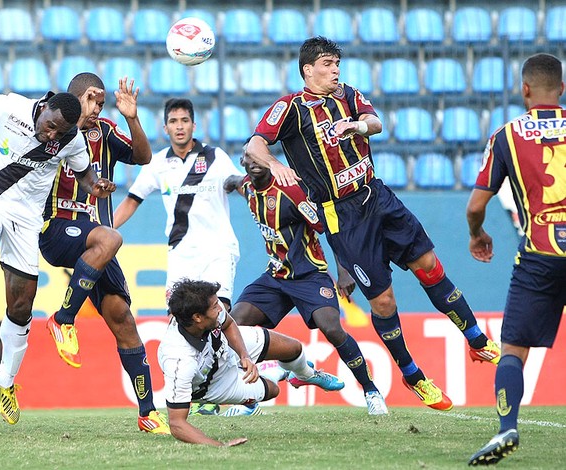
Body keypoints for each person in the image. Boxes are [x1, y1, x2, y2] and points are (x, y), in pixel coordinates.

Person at [245, 36, 501, 412]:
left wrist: (358, 127)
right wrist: (275, 163)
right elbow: (254, 146)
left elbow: (375, 121)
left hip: (376, 195)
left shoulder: (348, 94)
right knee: (383, 300)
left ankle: (477, 338)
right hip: (342, 215)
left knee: (428, 265)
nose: (335, 70)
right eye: (328, 64)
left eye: (337, 64)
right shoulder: (290, 108)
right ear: (308, 69)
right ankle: (413, 375)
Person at [0, 91, 115, 424]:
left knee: (21, 306)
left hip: (27, 218)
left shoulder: (71, 139)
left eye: (59, 132)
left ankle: (5, 380)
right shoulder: (6, 107)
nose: (51, 135)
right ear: (45, 106)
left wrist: (95, 186)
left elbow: (84, 173)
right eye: (50, 126)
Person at [39, 73, 168, 434]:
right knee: (111, 239)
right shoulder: (53, 129)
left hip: (96, 241)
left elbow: (143, 157)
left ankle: (147, 413)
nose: (98, 108)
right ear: (75, 98)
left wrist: (131, 118)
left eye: (101, 103)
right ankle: (63, 319)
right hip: (58, 228)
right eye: (93, 101)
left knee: (123, 317)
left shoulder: (105, 132)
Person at [225, 150, 388, 416]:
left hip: (310, 275)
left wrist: (344, 271)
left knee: (332, 329)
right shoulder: (247, 186)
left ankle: (371, 391)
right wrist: (226, 183)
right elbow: (234, 181)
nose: (254, 163)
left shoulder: (292, 193)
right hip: (276, 276)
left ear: (270, 160)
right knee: (233, 323)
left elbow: (329, 225)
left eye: (259, 158)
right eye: (248, 158)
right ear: (243, 162)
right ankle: (250, 400)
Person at [466, 53, 566, 466]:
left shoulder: (507, 135)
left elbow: (475, 206)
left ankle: (507, 426)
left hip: (541, 251)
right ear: (561, 89)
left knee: (513, 349)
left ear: (524, 90)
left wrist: (477, 234)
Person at [113, 98, 243, 415]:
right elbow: (132, 199)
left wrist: (252, 187)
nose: (180, 126)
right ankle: (207, 389)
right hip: (181, 255)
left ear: (194, 125)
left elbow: (237, 182)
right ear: (166, 126)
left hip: (217, 248)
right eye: (174, 121)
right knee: (183, 322)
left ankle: (237, 387)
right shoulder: (158, 163)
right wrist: (106, 229)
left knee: (217, 315)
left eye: (185, 120)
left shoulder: (215, 157)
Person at [159, 278, 344, 446]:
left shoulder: (208, 314)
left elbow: (229, 324)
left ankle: (305, 376)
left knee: (293, 348)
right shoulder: (179, 360)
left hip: (225, 346)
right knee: (273, 390)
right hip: (214, 384)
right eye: (215, 306)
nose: (220, 309)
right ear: (197, 318)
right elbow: (177, 423)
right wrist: (219, 446)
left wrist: (244, 355)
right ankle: (276, 372)